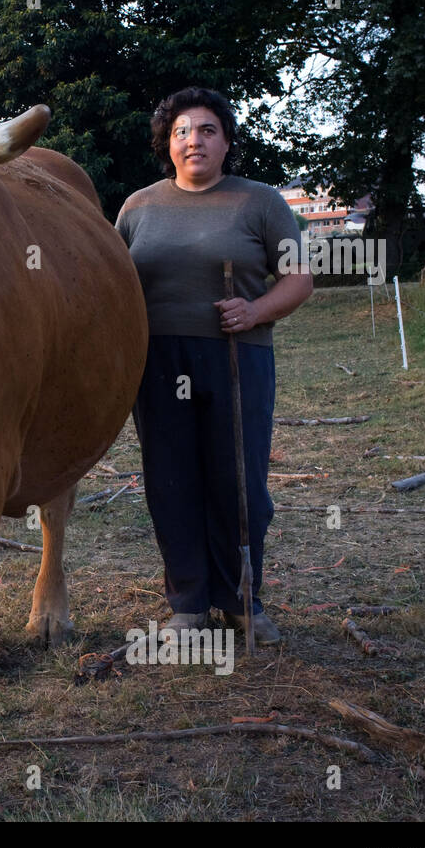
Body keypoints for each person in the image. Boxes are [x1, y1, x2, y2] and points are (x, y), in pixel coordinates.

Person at [115, 87, 312, 647]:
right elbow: (112, 282)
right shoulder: (138, 207)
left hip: (236, 355)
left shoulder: (259, 201)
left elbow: (299, 280)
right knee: (171, 480)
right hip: (157, 361)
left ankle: (242, 600)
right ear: (166, 144)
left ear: (226, 141)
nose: (192, 140)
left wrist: (255, 309)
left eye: (206, 130)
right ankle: (189, 604)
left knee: (238, 479)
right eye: (180, 132)